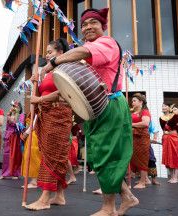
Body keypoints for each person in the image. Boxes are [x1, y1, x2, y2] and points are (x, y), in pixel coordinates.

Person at [36, 8, 138, 216]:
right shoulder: (89, 46)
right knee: (99, 155)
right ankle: (127, 196)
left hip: (109, 104)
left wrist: (54, 61)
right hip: (97, 107)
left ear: (103, 26)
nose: (88, 27)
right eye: (84, 24)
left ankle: (108, 208)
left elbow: (83, 53)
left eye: (93, 23)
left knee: (106, 155)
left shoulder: (106, 43)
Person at [25, 38, 73, 211]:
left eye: (50, 52)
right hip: (45, 115)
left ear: (60, 53)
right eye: (45, 52)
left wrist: (41, 98)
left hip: (60, 113)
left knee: (54, 156)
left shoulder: (67, 69)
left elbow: (64, 92)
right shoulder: (46, 73)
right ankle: (59, 196)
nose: (46, 55)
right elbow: (35, 97)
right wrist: (34, 83)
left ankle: (45, 198)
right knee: (51, 154)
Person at [130, 93, 151, 189]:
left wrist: (131, 125)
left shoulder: (145, 111)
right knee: (134, 158)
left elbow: (145, 123)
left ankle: (142, 182)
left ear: (141, 102)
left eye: (134, 101)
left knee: (142, 159)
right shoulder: (132, 112)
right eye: (132, 101)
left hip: (142, 138)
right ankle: (144, 179)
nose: (132, 102)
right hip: (132, 138)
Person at [0, 101, 23, 179]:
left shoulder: (21, 115)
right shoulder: (9, 114)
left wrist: (12, 120)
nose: (13, 107)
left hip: (16, 135)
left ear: (19, 108)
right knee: (6, 154)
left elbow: (20, 125)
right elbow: (7, 127)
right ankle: (4, 173)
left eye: (15, 106)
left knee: (15, 155)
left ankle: (15, 173)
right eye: (12, 106)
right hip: (8, 136)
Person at [160, 103, 178, 184]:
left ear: (169, 108)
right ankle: (172, 177)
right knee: (167, 156)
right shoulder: (161, 118)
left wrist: (174, 135)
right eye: (162, 106)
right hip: (166, 137)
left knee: (175, 156)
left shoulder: (175, 116)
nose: (163, 107)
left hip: (173, 137)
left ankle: (176, 177)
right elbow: (163, 129)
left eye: (165, 106)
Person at [20, 114, 41, 189]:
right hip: (37, 134)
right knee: (35, 157)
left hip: (34, 135)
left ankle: (34, 181)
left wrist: (25, 133)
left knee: (33, 157)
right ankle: (37, 180)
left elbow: (33, 124)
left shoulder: (37, 110)